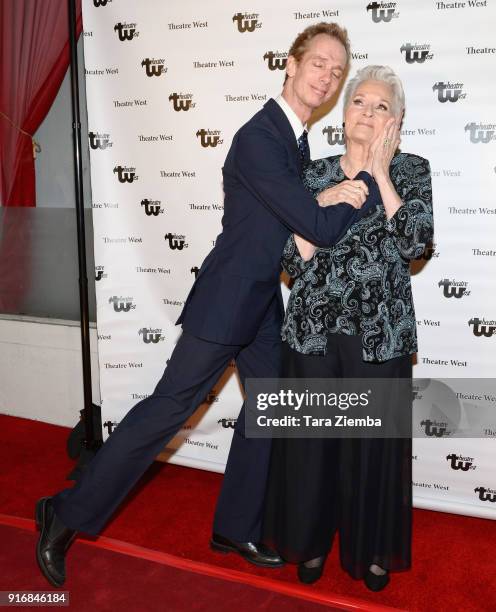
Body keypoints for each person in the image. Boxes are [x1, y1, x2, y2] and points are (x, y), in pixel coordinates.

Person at [35, 23, 382, 588]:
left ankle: (234, 526)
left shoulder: (291, 139)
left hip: (259, 299)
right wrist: (363, 180)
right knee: (166, 412)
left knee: (274, 406)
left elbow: (278, 222)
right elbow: (315, 225)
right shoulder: (262, 136)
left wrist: (325, 197)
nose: (328, 77)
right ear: (290, 66)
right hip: (226, 301)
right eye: (318, 63)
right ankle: (64, 513)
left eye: (337, 71)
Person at [263, 65, 433, 591]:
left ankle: (372, 550)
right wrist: (322, 204)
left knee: (373, 452)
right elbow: (292, 258)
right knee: (311, 449)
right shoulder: (311, 174)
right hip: (314, 334)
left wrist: (379, 176)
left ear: (397, 120)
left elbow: (414, 244)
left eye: (381, 106)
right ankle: (309, 542)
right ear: (344, 113)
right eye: (360, 101)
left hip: (380, 338)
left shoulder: (412, 171)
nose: (368, 111)